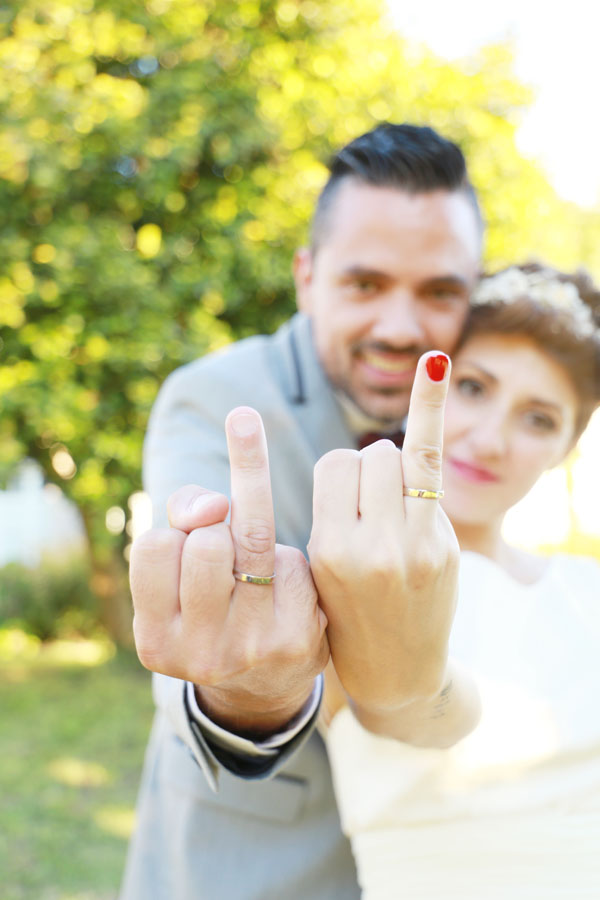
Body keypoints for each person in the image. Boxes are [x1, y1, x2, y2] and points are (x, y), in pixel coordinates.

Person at [120, 123, 483, 900]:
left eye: (440, 291)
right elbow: (197, 661)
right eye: (364, 284)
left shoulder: (484, 411)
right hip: (254, 867)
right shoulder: (214, 399)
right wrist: (254, 692)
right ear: (306, 278)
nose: (399, 326)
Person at [323, 263, 600, 899]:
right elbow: (406, 705)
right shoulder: (355, 573)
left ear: (566, 444)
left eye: (538, 419)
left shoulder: (584, 590)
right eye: (472, 388)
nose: (491, 439)